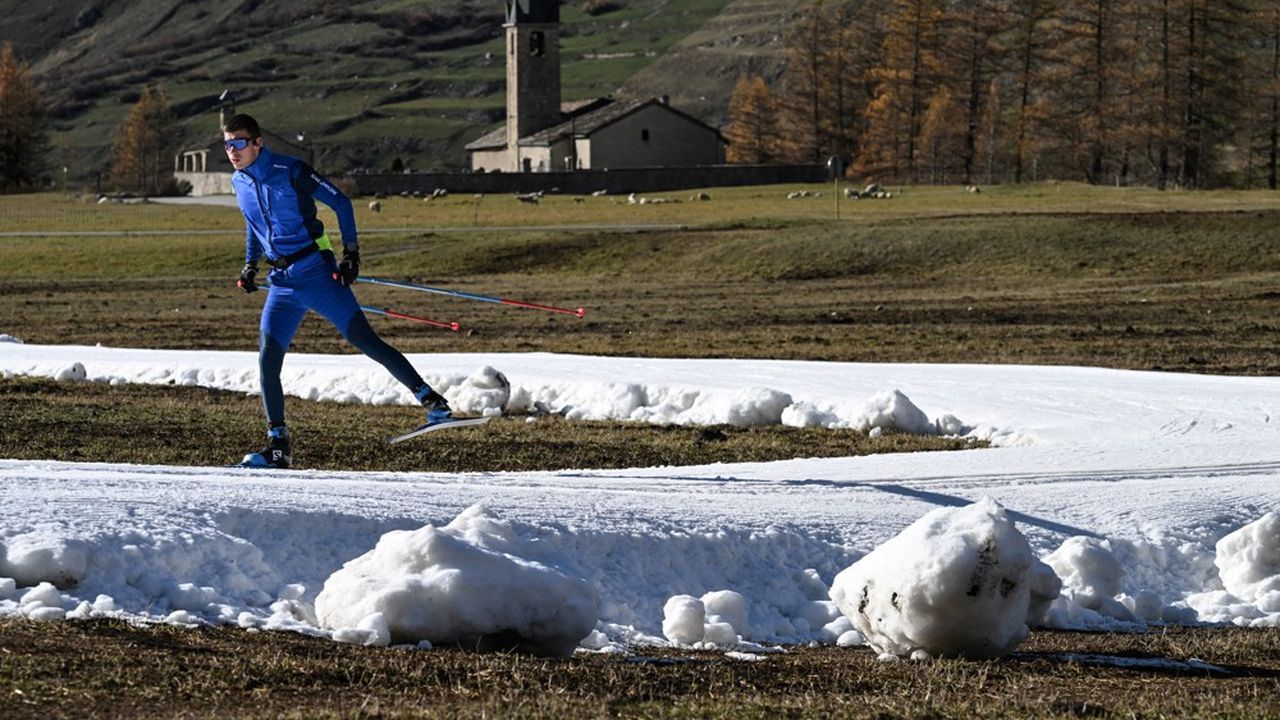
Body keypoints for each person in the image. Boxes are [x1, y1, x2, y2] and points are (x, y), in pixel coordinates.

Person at [223, 113, 452, 468]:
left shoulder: (291, 170)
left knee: (365, 339)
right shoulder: (239, 182)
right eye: (227, 144)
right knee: (267, 361)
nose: (232, 151)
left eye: (238, 142)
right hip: (281, 284)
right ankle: (278, 447)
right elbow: (252, 224)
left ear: (257, 143)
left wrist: (352, 254)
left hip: (315, 272)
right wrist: (250, 265)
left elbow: (341, 203)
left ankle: (433, 402)